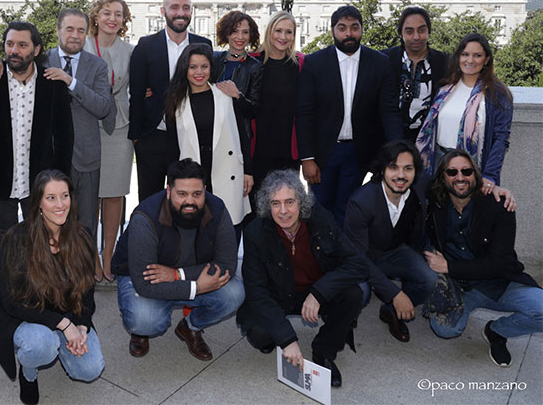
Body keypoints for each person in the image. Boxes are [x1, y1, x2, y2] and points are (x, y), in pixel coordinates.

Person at [236, 169, 366, 388]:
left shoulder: (320, 219)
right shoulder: (255, 232)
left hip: (314, 290)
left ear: (301, 202)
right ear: (268, 206)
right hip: (278, 295)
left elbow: (357, 263)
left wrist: (319, 293)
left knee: (353, 294)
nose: (283, 211)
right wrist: (287, 340)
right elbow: (256, 291)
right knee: (260, 335)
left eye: (290, 202)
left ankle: (324, 351)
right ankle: (276, 336)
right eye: (275, 203)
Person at [0, 170, 104, 405]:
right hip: (25, 316)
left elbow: (87, 291)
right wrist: (64, 325)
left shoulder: (82, 236)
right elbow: (11, 302)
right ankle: (29, 373)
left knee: (91, 369)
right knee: (42, 345)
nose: (60, 205)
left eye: (64, 196)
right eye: (51, 198)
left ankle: (60, 343)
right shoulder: (17, 238)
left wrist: (81, 326)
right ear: (38, 203)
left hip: (68, 313)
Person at [111, 159, 245, 361]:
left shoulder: (217, 208)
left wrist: (177, 275)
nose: (189, 201)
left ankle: (190, 327)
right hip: (145, 278)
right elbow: (144, 284)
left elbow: (227, 265)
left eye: (197, 194)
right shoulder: (145, 217)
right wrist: (196, 288)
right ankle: (141, 332)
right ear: (168, 191)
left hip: (186, 273)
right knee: (145, 319)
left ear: (205, 190)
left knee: (235, 293)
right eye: (182, 194)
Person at [424, 150, 542, 367]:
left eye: (467, 171)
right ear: (443, 177)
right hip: (459, 287)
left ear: (475, 175)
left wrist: (449, 266)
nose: (460, 177)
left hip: (499, 283)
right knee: (445, 329)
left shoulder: (499, 205)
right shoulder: (435, 202)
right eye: (452, 172)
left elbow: (500, 262)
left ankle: (497, 331)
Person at [0, 22, 73, 263]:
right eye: (9, 44)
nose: (14, 51)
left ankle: (40, 287)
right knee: (7, 246)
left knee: (43, 246)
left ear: (36, 50)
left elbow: (64, 138)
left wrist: (59, 183)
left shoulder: (52, 84)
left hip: (40, 184)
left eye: (22, 45)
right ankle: (9, 288)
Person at [297, 4, 403, 227]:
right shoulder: (314, 63)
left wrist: (396, 153)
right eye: (342, 28)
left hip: (359, 153)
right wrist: (307, 158)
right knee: (319, 211)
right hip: (324, 153)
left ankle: (347, 250)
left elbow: (389, 111)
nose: (349, 33)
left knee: (351, 211)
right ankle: (322, 250)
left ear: (362, 29)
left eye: (354, 27)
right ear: (332, 30)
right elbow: (305, 113)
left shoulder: (379, 63)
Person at [45, 9, 115, 279]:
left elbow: (103, 107)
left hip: (86, 157)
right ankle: (52, 279)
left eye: (81, 31)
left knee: (85, 225)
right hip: (50, 159)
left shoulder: (97, 66)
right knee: (48, 225)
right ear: (58, 31)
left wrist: (70, 81)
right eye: (69, 29)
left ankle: (83, 283)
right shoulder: (42, 60)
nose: (75, 35)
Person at [344, 141, 437, 343]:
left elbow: (455, 185)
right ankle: (343, 316)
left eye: (408, 168)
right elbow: (359, 258)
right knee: (359, 292)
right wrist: (396, 293)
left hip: (393, 253)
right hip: (360, 258)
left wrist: (492, 188)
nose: (401, 175)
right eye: (393, 167)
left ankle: (391, 312)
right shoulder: (361, 202)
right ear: (382, 169)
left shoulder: (419, 186)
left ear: (416, 171)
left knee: (429, 279)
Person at [128, 0, 212, 202]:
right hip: (154, 135)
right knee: (150, 200)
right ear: (163, 11)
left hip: (190, 137)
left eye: (186, 8)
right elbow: (136, 93)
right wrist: (137, 137)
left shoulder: (204, 45)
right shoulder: (146, 46)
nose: (181, 13)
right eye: (174, 7)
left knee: (187, 200)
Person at [165, 43, 252, 240]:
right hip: (192, 174)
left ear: (211, 68)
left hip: (227, 170)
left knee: (229, 232)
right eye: (193, 67)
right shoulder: (176, 101)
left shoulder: (225, 95)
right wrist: (172, 181)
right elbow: (172, 147)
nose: (199, 72)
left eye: (204, 66)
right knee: (196, 236)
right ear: (185, 69)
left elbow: (242, 134)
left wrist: (248, 171)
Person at [416, 32, 513, 192]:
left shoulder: (497, 94)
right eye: (465, 54)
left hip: (471, 169)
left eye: (477, 55)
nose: (470, 60)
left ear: (486, 59)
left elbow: (501, 138)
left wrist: (490, 175)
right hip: (438, 163)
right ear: (458, 57)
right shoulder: (445, 88)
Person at [83, 0, 135, 282]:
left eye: (118, 14)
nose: (112, 18)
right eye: (106, 13)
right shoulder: (83, 45)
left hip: (120, 127)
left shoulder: (131, 51)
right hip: (87, 125)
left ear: (124, 20)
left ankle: (109, 253)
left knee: (114, 194)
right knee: (88, 194)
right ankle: (90, 254)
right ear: (96, 16)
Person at [250, 12, 304, 193]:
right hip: (256, 150)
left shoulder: (301, 64)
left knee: (286, 201)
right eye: (278, 30)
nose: (283, 37)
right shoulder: (252, 61)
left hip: (288, 151)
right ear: (269, 31)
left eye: (289, 32)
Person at [383, 7, 449, 142]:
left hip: (430, 141)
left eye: (421, 30)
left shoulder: (445, 63)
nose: (416, 37)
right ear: (400, 33)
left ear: (429, 31)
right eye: (409, 31)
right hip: (389, 141)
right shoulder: (384, 60)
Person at [211, 10, 263, 175]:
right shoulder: (213, 60)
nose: (240, 37)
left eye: (245, 32)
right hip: (211, 130)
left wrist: (237, 95)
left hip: (238, 135)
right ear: (226, 33)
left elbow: (253, 110)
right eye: (234, 31)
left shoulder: (255, 67)